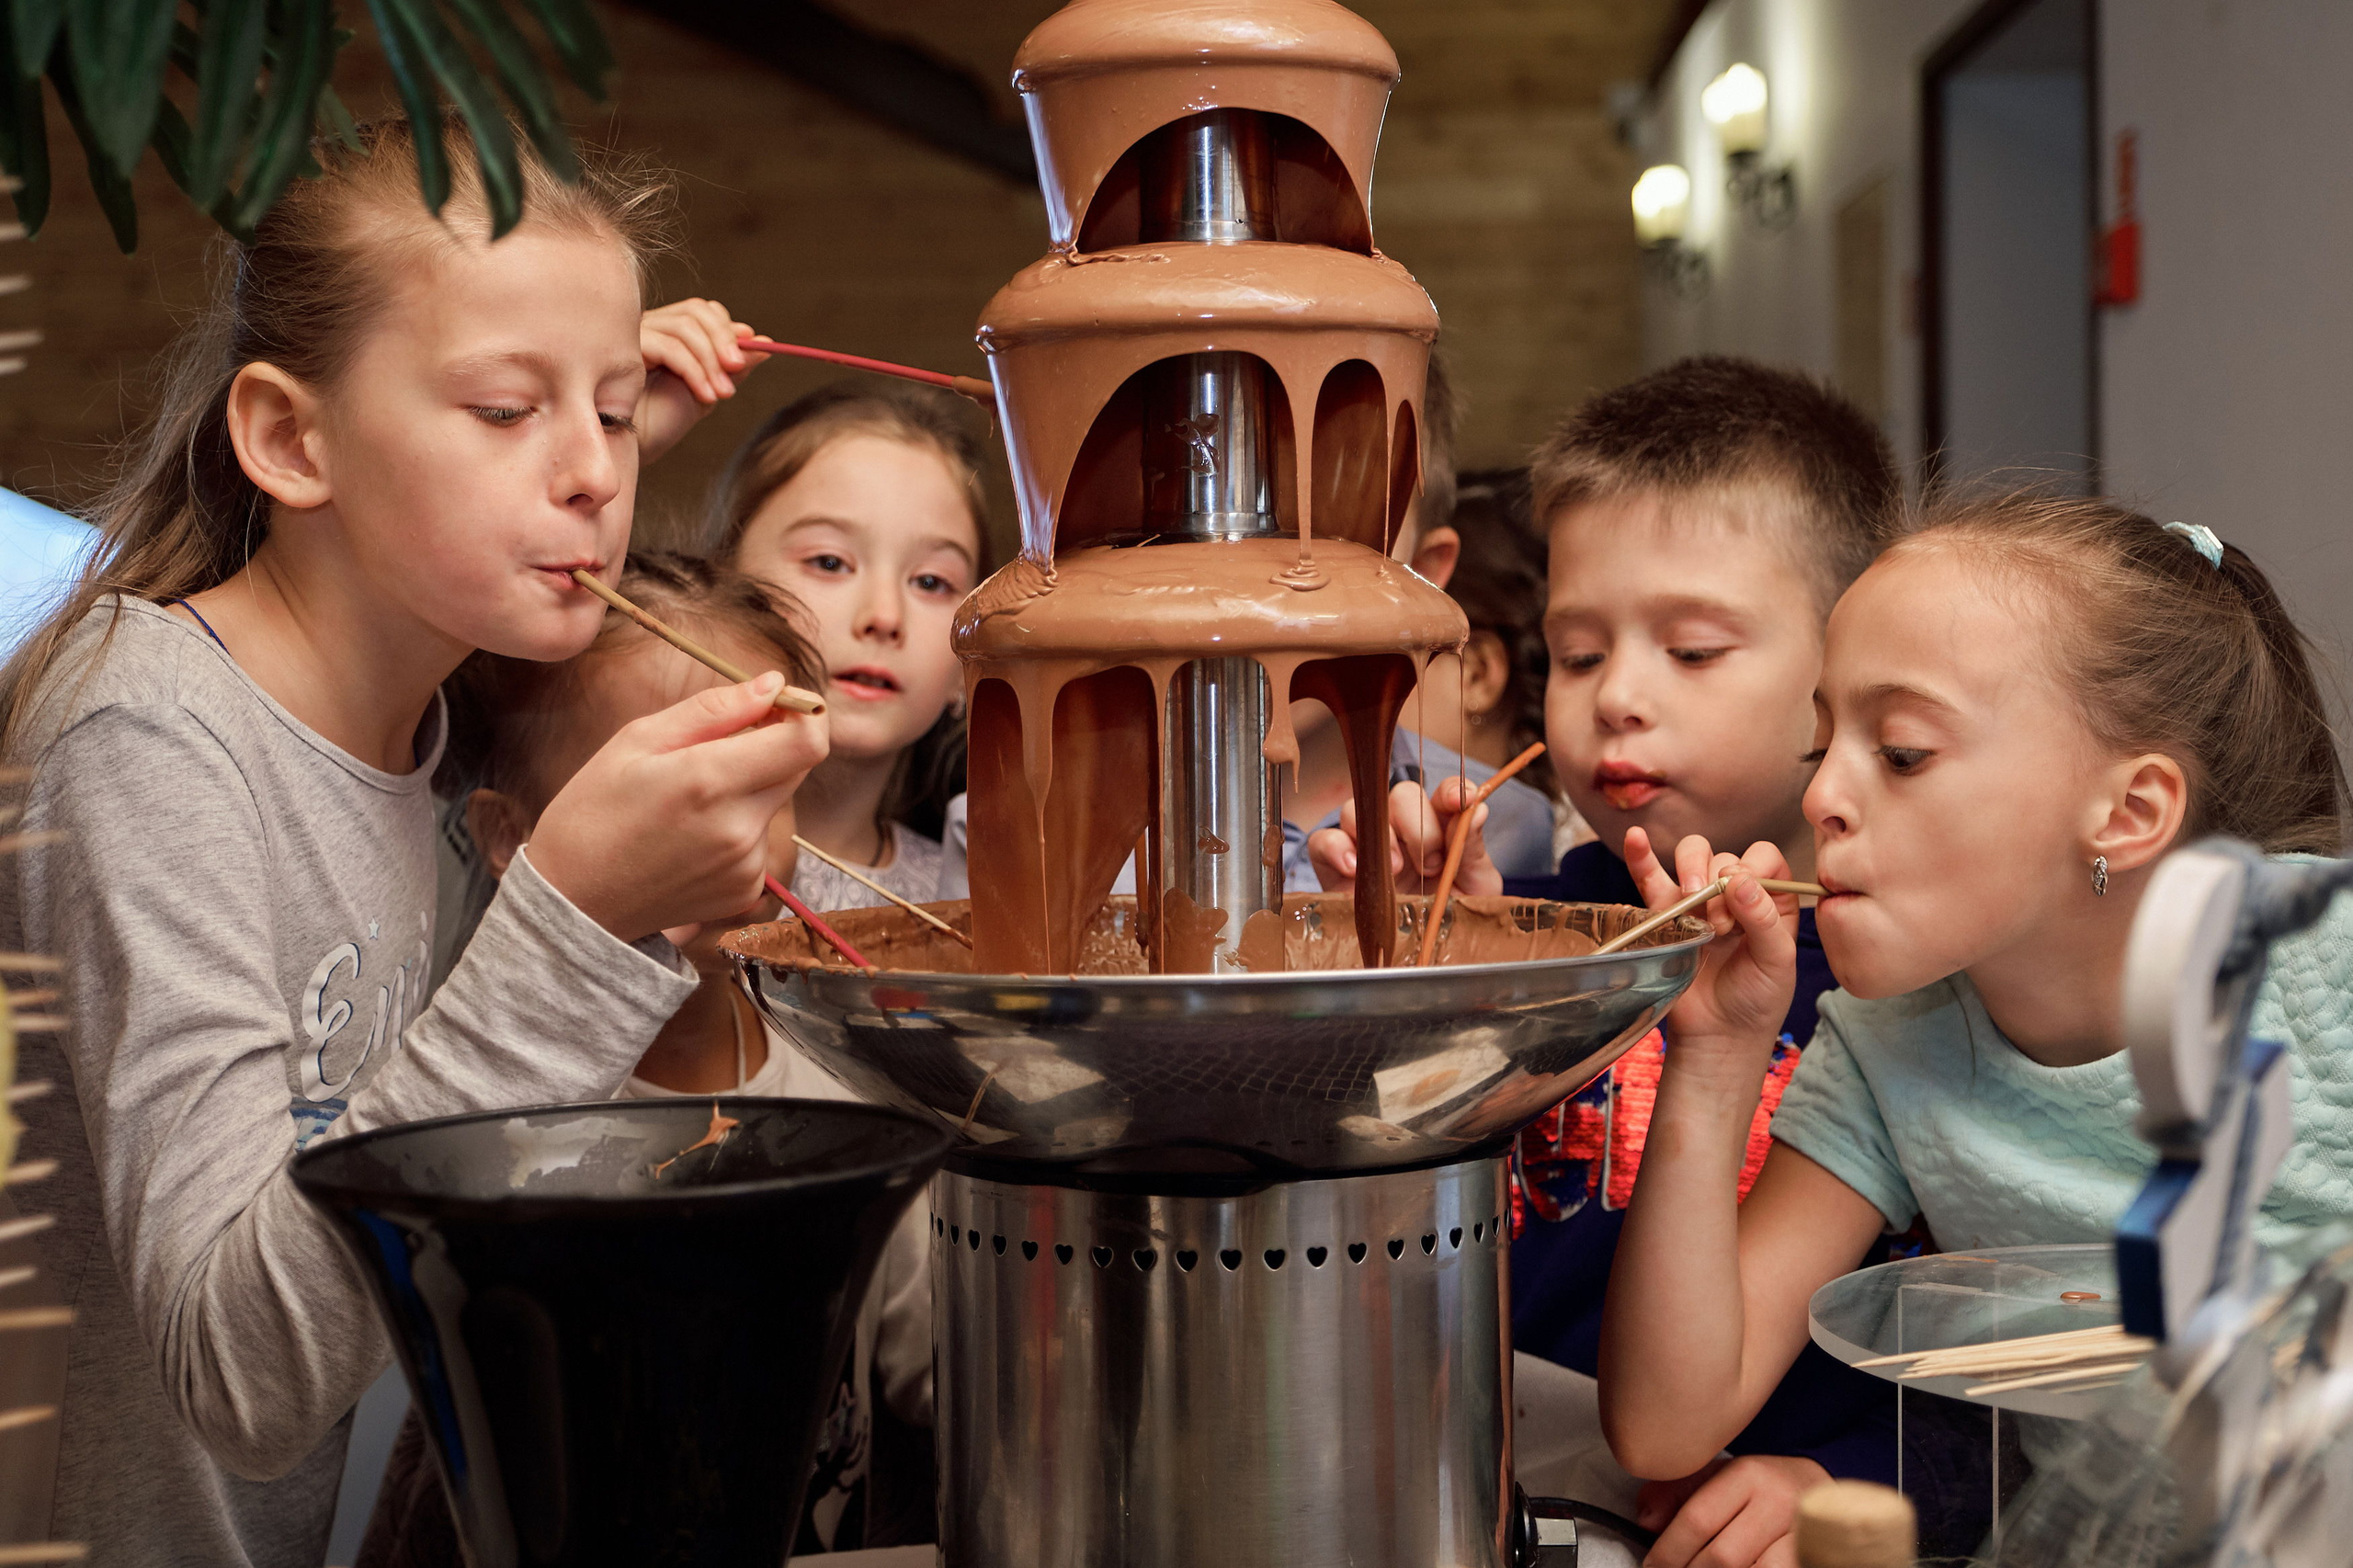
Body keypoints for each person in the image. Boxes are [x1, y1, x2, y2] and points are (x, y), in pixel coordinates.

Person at [0, 118, 818, 1565]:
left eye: (619, 417)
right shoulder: (142, 732)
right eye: (507, 410)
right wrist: (573, 917)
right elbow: (241, 1375)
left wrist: (550, 429)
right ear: (290, 438)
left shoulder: (432, 714)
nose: (595, 478)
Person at [1601, 496, 2353, 1567]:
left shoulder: (2327, 959)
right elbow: (1669, 1420)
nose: (1822, 795)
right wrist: (1715, 1055)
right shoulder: (1883, 1043)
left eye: (1900, 751)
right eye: (1824, 743)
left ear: (2130, 810)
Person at [1308, 359, 1965, 1558]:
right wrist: (1428, 972)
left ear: (1845, 665)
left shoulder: (1924, 980)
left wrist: (1856, 1474)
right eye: (1576, 651)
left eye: (1695, 650)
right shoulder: (1540, 929)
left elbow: (2013, 1351)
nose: (1617, 697)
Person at [362, 553, 930, 1562]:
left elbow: (929, 1363)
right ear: (511, 834)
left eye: (762, 782)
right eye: (675, 792)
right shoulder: (492, 1108)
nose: (733, 833)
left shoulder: (848, 1081)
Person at [710, 381, 987, 911]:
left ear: (966, 667)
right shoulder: (655, 858)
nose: (883, 617)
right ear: (723, 587)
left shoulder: (977, 901)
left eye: (930, 582)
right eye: (830, 563)